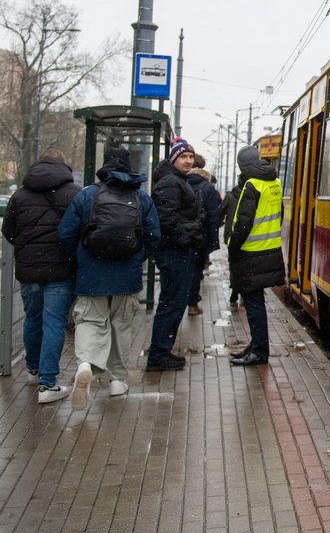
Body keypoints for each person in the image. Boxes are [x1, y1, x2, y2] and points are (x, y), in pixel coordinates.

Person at [58, 147, 161, 409]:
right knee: (120, 326)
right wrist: (136, 257)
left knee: (90, 322)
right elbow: (153, 237)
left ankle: (85, 364)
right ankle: (117, 380)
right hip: (127, 276)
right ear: (128, 166)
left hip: (91, 274)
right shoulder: (141, 198)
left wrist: (81, 258)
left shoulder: (87, 195)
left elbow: (66, 233)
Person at [1, 150, 81, 404]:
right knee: (54, 322)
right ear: (63, 166)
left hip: (28, 270)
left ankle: (33, 370)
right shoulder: (74, 193)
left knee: (33, 318)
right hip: (60, 269)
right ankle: (48, 384)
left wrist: (26, 248)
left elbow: (8, 231)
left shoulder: (20, 195)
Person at [146, 137, 204, 371]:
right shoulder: (170, 182)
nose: (188, 161)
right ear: (174, 159)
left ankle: (162, 352)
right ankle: (158, 355)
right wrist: (185, 239)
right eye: (183, 157)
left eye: (191, 156)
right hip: (174, 251)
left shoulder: (177, 180)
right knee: (171, 302)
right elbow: (167, 218)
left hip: (177, 250)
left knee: (175, 301)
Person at [228, 146, 285, 366]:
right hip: (268, 249)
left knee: (253, 304)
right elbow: (279, 214)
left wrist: (233, 246)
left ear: (241, 165)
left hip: (251, 252)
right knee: (256, 302)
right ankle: (256, 345)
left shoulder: (252, 184)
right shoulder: (275, 182)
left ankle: (259, 351)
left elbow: (244, 222)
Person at [186, 153, 221, 315]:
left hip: (179, 236)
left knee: (182, 270)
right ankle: (192, 303)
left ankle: (178, 301)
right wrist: (213, 241)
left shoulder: (180, 183)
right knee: (195, 271)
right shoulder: (208, 188)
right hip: (200, 236)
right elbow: (214, 217)